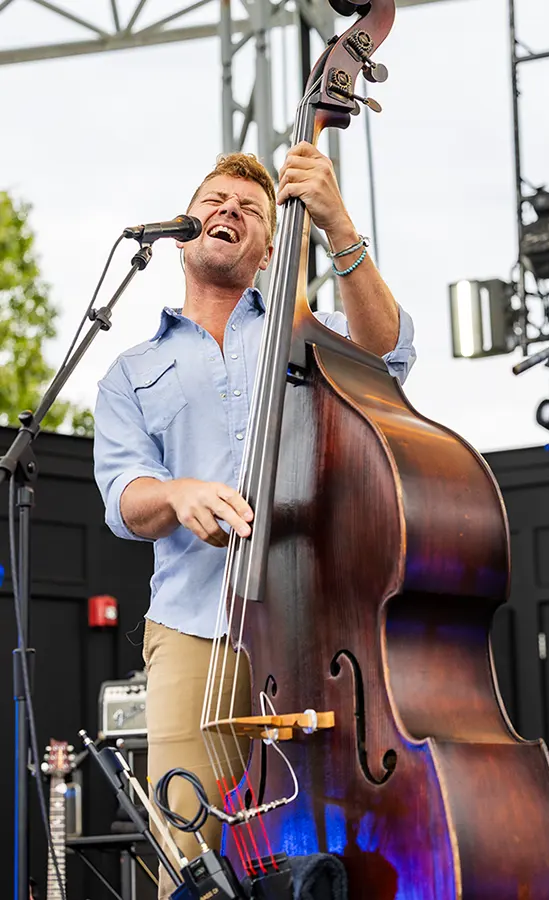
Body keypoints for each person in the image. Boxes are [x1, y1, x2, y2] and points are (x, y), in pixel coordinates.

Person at [94, 142, 416, 899]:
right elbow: (122, 496)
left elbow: (390, 351)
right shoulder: (130, 371)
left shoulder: (307, 331)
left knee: (337, 846)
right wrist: (175, 495)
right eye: (214, 202)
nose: (228, 213)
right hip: (193, 628)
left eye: (249, 211)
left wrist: (337, 224)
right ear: (183, 229)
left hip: (316, 627)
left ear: (270, 247)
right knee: (188, 856)